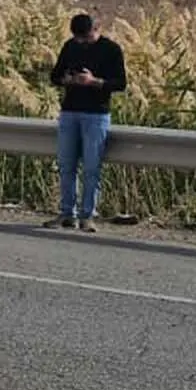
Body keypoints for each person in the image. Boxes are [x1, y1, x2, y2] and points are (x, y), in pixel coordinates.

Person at [44, 12, 126, 232]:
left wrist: (94, 82)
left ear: (95, 30)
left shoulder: (111, 49)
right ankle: (66, 213)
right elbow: (55, 76)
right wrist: (67, 80)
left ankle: (87, 215)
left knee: (91, 167)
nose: (81, 42)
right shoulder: (70, 46)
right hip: (70, 111)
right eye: (78, 38)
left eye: (85, 38)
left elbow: (120, 83)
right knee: (66, 165)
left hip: (96, 114)